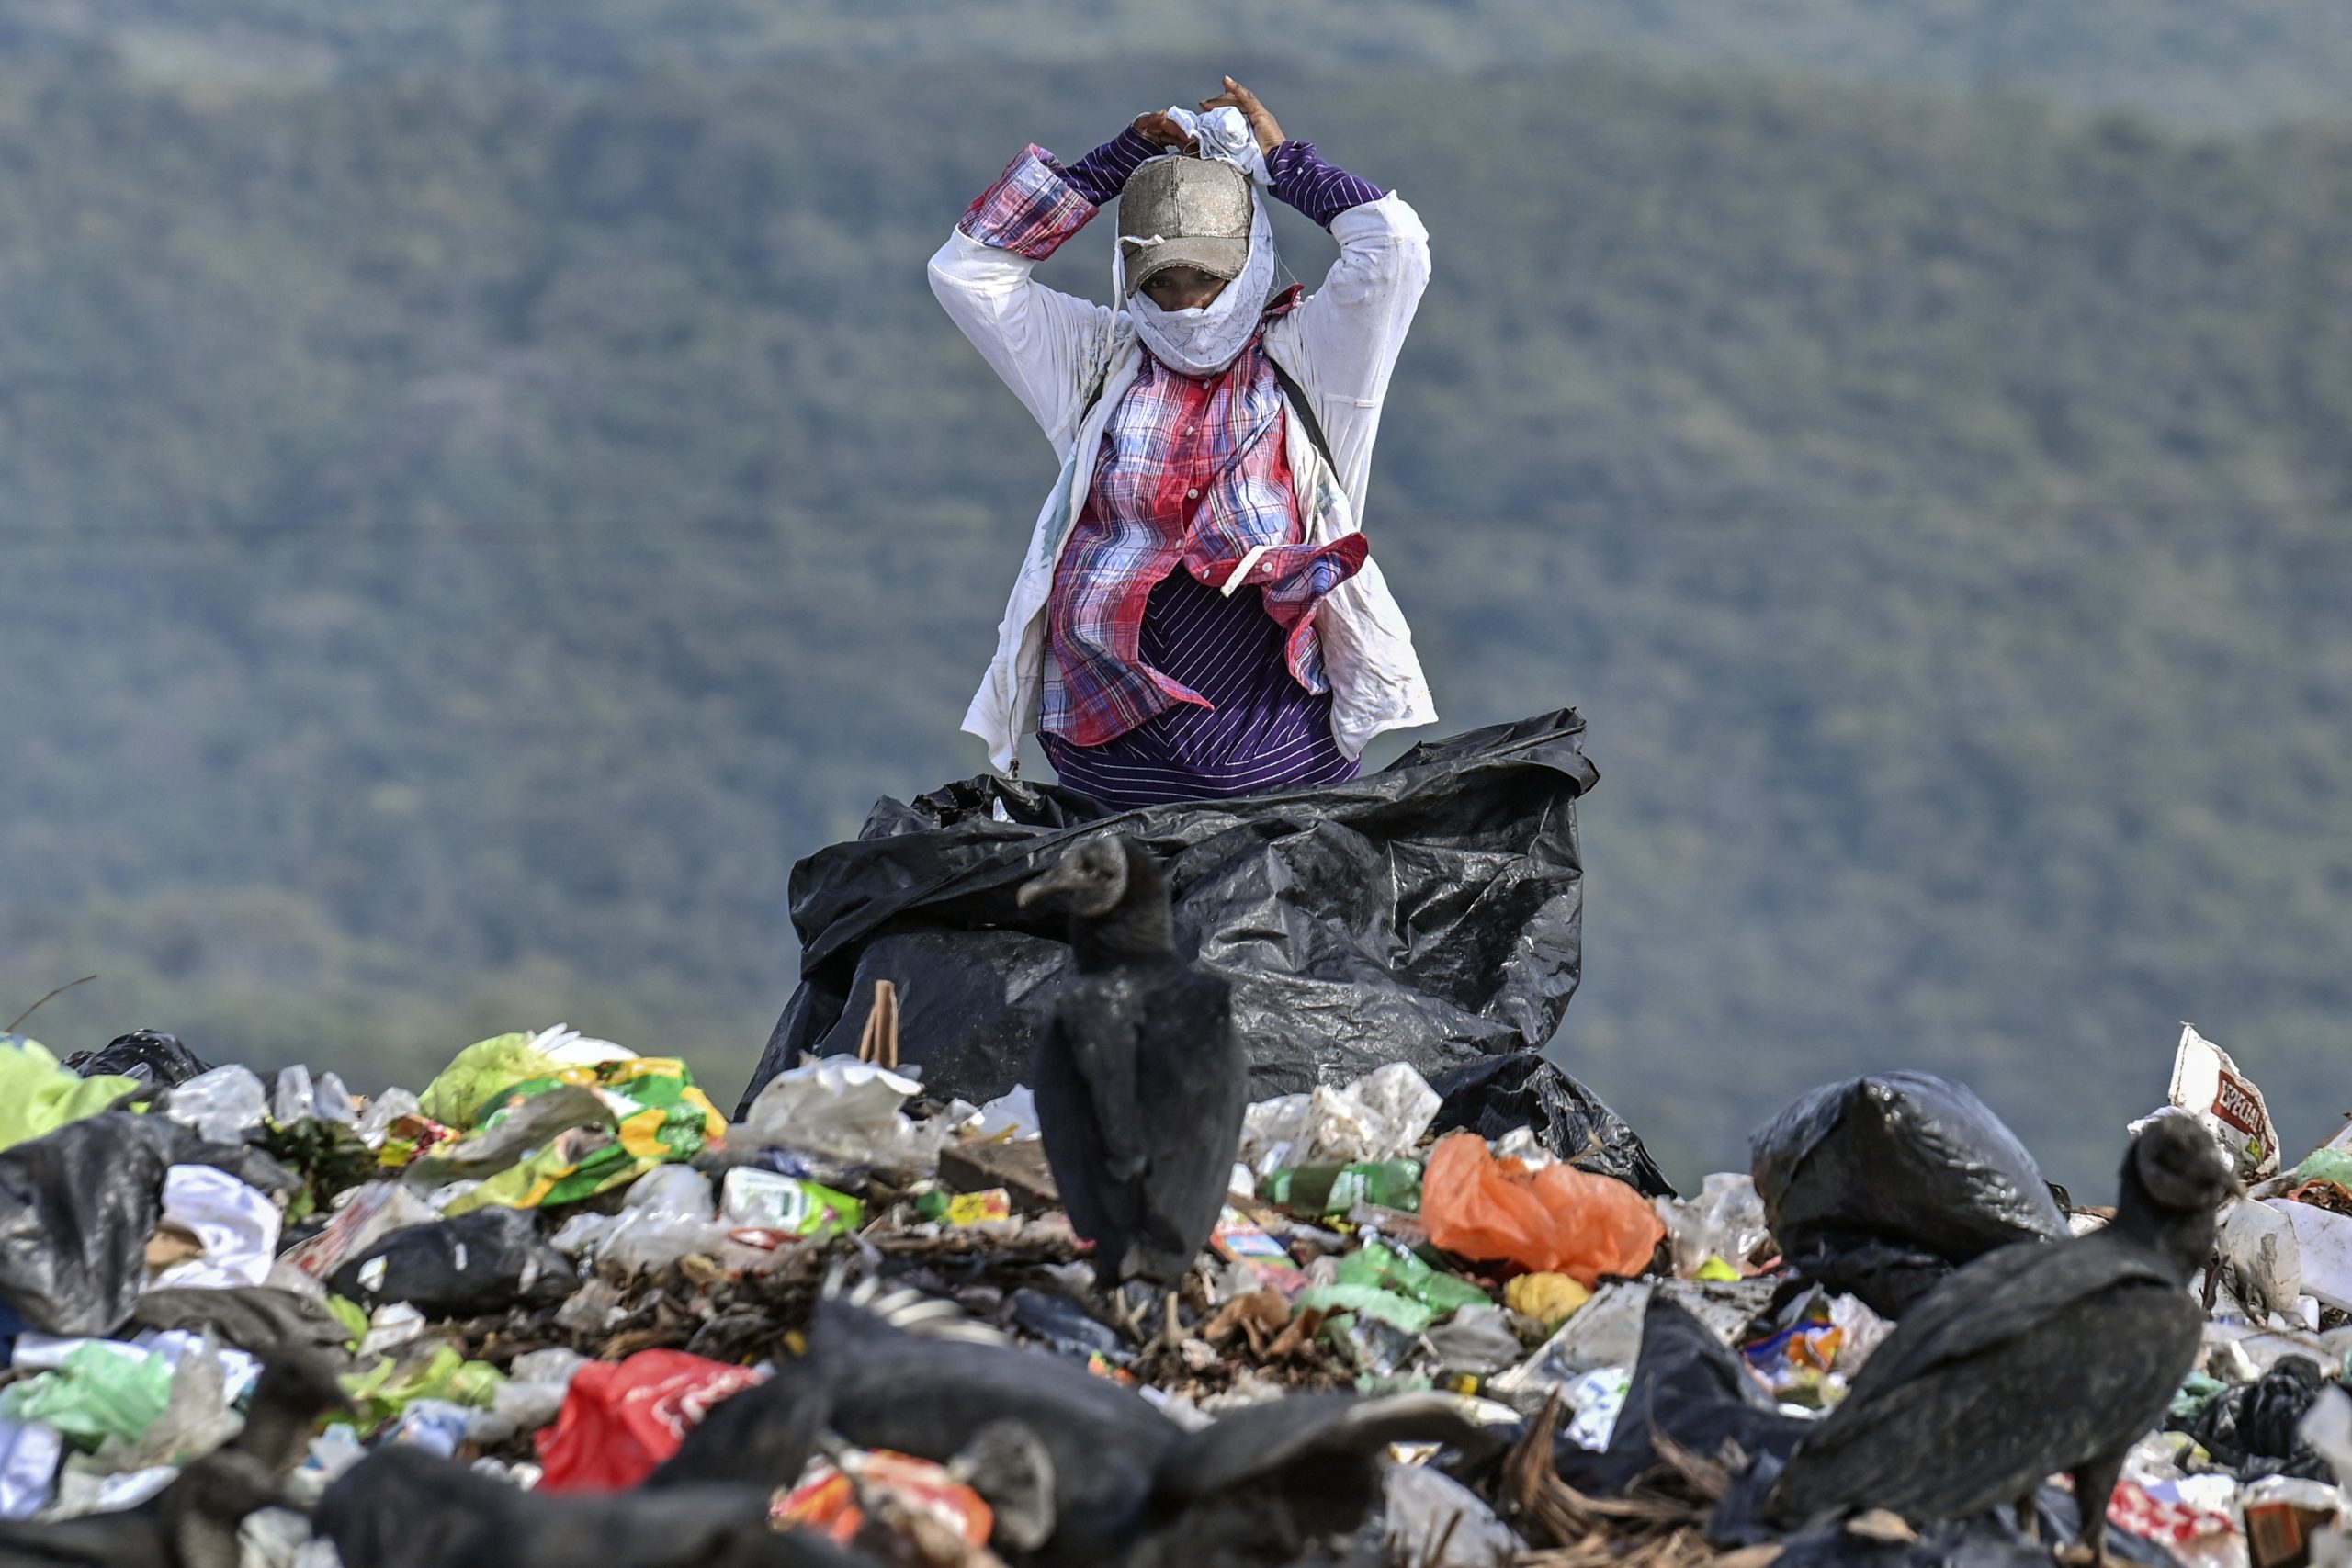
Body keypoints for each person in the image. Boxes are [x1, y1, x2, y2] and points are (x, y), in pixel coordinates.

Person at [929, 78, 1435, 808]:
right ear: (1133, 279)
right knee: (1126, 922)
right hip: (1112, 758)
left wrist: (1283, 164)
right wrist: (1109, 167)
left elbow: (1394, 246)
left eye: (1207, 277)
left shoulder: (1314, 359)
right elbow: (969, 274)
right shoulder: (1099, 361)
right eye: (1163, 282)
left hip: (1278, 750)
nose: (1186, 302)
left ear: (1250, 261)